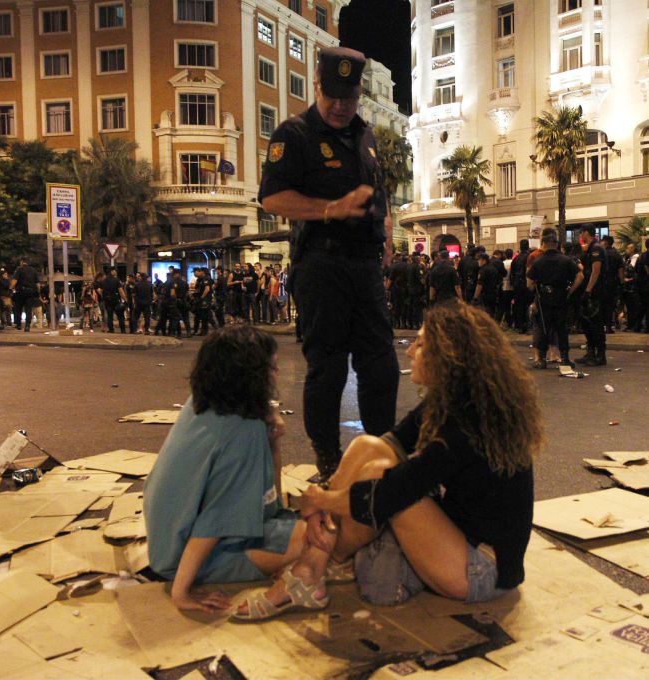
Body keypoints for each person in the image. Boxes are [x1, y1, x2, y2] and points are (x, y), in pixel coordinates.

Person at [233, 301, 543, 620]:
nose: (409, 352)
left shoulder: (467, 423)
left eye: (421, 344)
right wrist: (327, 498)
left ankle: (312, 567)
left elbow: (394, 492)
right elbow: (387, 445)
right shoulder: (452, 402)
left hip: (483, 568)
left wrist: (323, 499)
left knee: (382, 478)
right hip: (456, 534)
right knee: (368, 447)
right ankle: (314, 565)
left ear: (449, 356)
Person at [258, 46, 399, 479]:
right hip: (322, 265)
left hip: (365, 264)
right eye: (333, 95)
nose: (340, 105)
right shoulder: (294, 134)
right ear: (318, 86)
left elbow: (377, 191)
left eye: (350, 96)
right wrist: (330, 209)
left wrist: (388, 230)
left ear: (360, 93)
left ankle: (381, 452)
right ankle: (328, 458)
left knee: (381, 364)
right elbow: (272, 197)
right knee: (329, 366)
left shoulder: (365, 136)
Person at [143, 325, 305, 614]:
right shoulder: (243, 431)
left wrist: (273, 434)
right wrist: (181, 593)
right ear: (252, 375)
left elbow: (268, 500)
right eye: (272, 368)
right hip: (188, 556)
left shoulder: (204, 403)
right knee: (321, 537)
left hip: (166, 541)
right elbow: (215, 520)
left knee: (302, 528)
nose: (277, 375)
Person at [526, 231, 584, 368]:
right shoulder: (566, 260)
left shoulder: (538, 261)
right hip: (561, 297)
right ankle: (564, 358)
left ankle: (541, 360)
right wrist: (570, 290)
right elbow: (580, 276)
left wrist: (537, 289)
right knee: (561, 328)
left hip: (544, 299)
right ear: (556, 244)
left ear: (544, 244)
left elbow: (529, 284)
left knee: (543, 328)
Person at [576, 226, 608, 366]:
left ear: (586, 232)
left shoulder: (596, 248)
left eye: (581, 232)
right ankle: (590, 353)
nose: (580, 235)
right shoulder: (591, 247)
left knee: (596, 324)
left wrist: (588, 291)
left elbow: (596, 271)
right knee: (587, 323)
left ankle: (600, 356)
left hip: (596, 292)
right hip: (590, 291)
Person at [600, 235, 624, 334]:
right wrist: (622, 282)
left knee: (602, 304)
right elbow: (620, 270)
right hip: (613, 282)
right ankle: (609, 326)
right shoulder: (617, 254)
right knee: (610, 305)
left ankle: (602, 326)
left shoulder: (601, 253)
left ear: (605, 242)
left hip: (602, 282)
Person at [11, 257, 40, 332]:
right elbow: (38, 283)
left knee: (18, 308)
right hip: (30, 292)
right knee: (28, 309)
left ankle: (19, 325)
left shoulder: (19, 269)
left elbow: (15, 280)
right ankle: (27, 326)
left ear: (21, 262)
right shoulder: (33, 270)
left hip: (21, 292)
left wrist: (10, 287)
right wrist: (38, 292)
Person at [101, 268, 127, 333]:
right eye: (114, 271)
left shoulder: (104, 281)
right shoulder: (116, 280)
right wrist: (125, 300)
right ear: (111, 272)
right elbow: (121, 291)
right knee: (120, 316)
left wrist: (104, 298)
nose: (116, 272)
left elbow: (101, 291)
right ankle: (123, 330)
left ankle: (111, 330)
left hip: (107, 301)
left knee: (110, 316)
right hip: (116, 300)